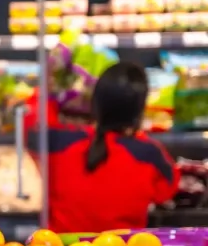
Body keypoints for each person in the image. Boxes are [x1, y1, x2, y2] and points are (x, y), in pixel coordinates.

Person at [25, 62, 179, 233]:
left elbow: (29, 125)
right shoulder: (150, 154)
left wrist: (48, 86)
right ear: (140, 109)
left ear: (95, 103)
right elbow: (167, 190)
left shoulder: (62, 142)